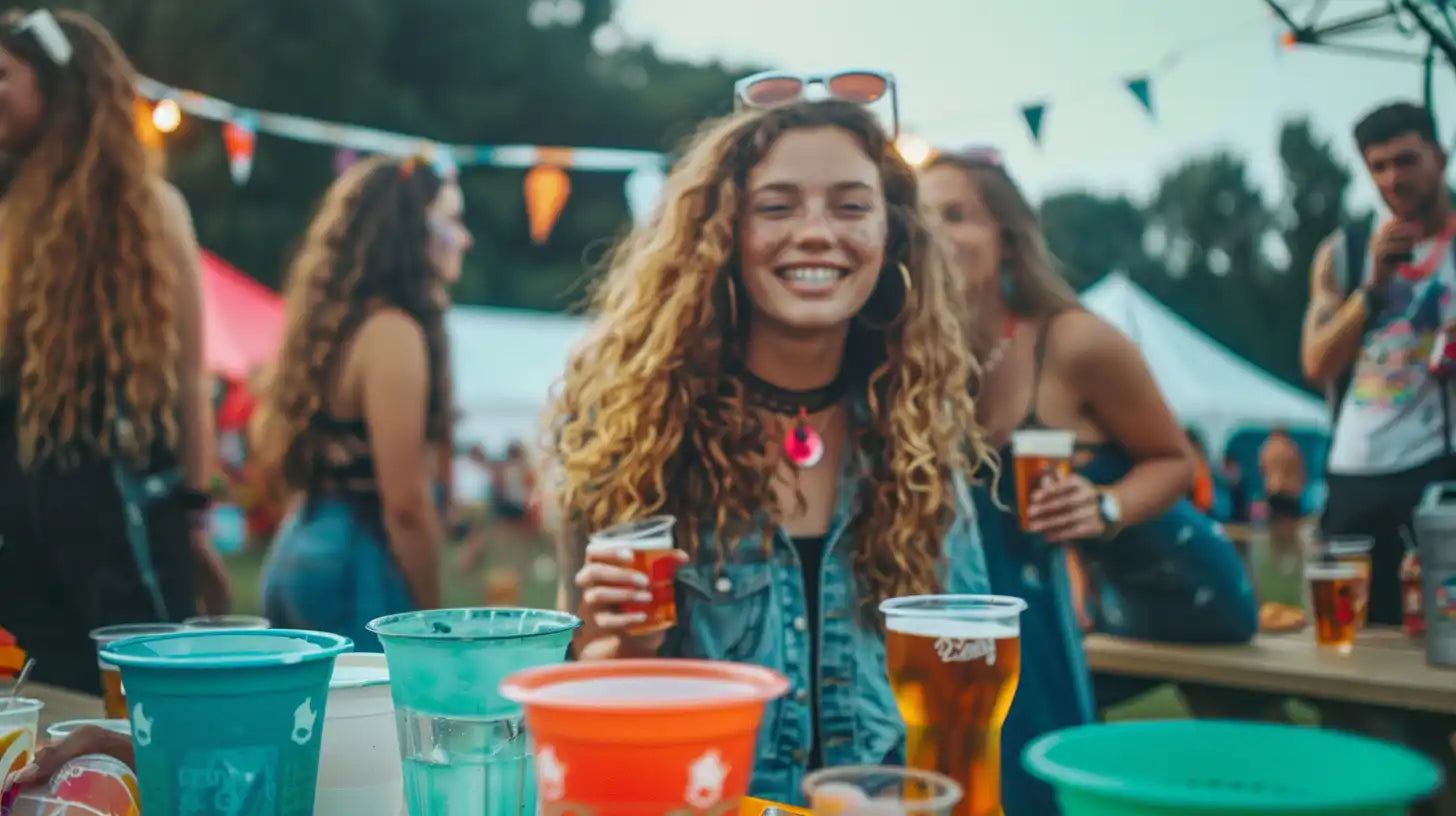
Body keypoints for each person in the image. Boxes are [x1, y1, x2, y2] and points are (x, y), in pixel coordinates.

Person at [549, 98, 991, 800]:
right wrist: (615, 646)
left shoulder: (919, 441)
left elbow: (962, 685)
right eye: (777, 207)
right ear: (724, 233)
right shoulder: (634, 431)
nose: (816, 234)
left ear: (892, 236)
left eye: (850, 207)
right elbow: (588, 726)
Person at [919, 148, 1257, 813]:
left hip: (1183, 587)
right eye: (919, 218)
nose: (933, 232)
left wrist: (1101, 505)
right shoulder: (914, 358)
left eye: (955, 215)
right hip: (1011, 608)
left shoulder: (1075, 342)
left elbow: (1173, 460)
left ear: (1008, 241)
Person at [0, 8, 229, 694]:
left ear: (57, 89)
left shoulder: (152, 212)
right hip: (40, 517)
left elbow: (191, 381)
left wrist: (194, 511)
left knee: (142, 698)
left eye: (4, 75)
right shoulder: (10, 213)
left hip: (123, 513)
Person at [253, 154, 471, 650]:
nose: (465, 238)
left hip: (302, 546)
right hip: (356, 566)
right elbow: (406, 505)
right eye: (453, 219)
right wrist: (436, 625)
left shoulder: (338, 325)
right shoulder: (392, 333)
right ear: (411, 230)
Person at [1301, 101, 1456, 627]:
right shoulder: (1343, 251)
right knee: (1351, 635)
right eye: (1378, 166)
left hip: (1436, 466)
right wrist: (1372, 289)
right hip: (1354, 473)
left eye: (1407, 161)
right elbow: (1316, 363)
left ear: (1440, 156)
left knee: (1438, 636)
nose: (1393, 178)